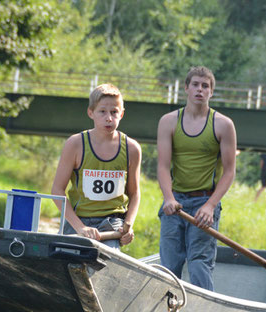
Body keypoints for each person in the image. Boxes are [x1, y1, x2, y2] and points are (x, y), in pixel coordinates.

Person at [157, 66, 237, 291]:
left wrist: (210, 206)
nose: (200, 90)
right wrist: (168, 198)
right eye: (195, 85)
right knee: (169, 266)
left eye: (205, 86)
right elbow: (163, 166)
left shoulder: (223, 124)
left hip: (204, 204)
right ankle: (167, 309)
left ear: (211, 92)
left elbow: (229, 171)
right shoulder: (168, 121)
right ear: (186, 88)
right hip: (175, 204)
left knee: (199, 264)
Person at [51, 83, 142, 248]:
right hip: (79, 220)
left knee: (106, 265)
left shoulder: (132, 148)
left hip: (113, 222)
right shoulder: (75, 144)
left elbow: (134, 193)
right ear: (90, 113)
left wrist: (128, 224)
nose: (109, 118)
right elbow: (57, 190)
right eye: (102, 112)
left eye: (114, 112)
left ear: (121, 114)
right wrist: (80, 227)